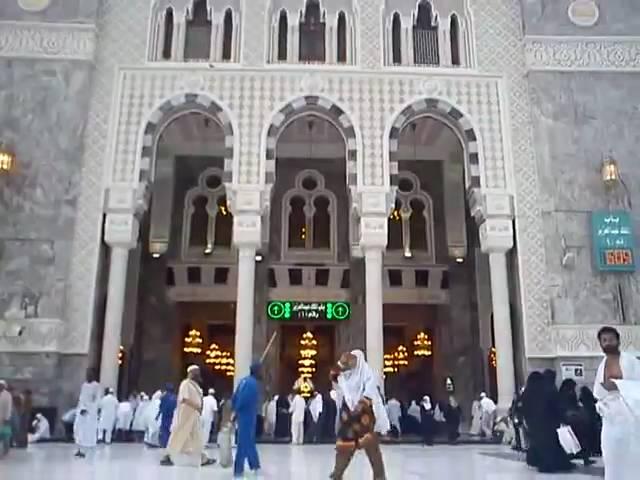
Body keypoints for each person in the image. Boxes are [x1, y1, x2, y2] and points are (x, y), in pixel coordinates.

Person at [329, 350, 389, 480]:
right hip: (348, 417)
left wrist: (361, 404)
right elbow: (333, 375)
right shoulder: (346, 376)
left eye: (353, 359)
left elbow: (370, 391)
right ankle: (338, 472)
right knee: (344, 446)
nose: (351, 362)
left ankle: (379, 476)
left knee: (371, 447)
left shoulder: (368, 374)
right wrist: (340, 363)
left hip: (364, 416)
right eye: (350, 359)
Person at [593, 326, 640, 480]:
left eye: (611, 340)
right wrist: (601, 405)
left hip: (629, 415)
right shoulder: (602, 365)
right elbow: (598, 393)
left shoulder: (631, 361)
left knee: (631, 456)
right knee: (611, 455)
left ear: (618, 341)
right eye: (604, 340)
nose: (608, 343)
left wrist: (620, 386)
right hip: (610, 418)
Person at [160, 365, 214, 467]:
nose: (197, 374)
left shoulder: (195, 385)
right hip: (186, 414)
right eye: (195, 372)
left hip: (194, 415)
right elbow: (184, 399)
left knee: (197, 437)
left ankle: (203, 458)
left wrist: (198, 408)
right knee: (179, 434)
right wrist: (196, 406)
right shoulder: (185, 384)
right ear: (190, 373)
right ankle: (167, 456)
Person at [521, 371, 574, 473]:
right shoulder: (549, 389)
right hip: (549, 422)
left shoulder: (528, 391)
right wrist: (562, 418)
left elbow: (524, 407)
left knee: (539, 443)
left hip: (533, 423)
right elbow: (556, 406)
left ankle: (540, 462)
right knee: (550, 444)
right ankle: (552, 464)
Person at [232, 363, 262, 478]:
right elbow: (244, 399)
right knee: (246, 441)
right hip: (248, 415)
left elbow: (235, 397)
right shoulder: (252, 384)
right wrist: (237, 409)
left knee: (245, 441)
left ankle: (253, 465)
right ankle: (242, 468)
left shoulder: (243, 381)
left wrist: (235, 410)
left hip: (242, 415)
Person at [73, 369, 101, 458]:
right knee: (78, 429)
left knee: (88, 432)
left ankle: (86, 450)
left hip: (90, 413)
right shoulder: (84, 385)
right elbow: (81, 398)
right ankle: (79, 448)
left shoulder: (96, 386)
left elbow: (96, 400)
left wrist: (89, 409)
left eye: (90, 374)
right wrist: (81, 408)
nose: (88, 375)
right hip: (81, 411)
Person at [579, 386, 601, 457]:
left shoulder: (582, 399)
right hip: (593, 421)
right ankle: (596, 451)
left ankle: (590, 451)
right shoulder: (593, 400)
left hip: (586, 421)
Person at [158, 384, 177, 448]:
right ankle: (170, 444)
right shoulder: (175, 397)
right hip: (172, 416)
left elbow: (160, 407)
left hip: (165, 416)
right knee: (170, 430)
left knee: (164, 430)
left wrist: (158, 415)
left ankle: (164, 444)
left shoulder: (163, 397)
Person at [0, 380, 13, 457]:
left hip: (5, 418)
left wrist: (7, 418)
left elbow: (9, 407)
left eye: (1, 385)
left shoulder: (7, 395)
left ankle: (6, 451)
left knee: (6, 436)